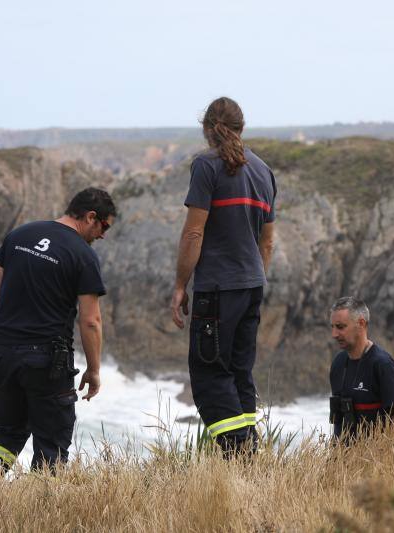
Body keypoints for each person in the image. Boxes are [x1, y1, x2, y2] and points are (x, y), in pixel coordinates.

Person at [0, 187, 116, 474]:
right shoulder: (82, 255)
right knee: (52, 444)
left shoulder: (20, 235)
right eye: (104, 226)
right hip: (47, 360)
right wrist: (93, 369)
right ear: (91, 217)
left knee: (7, 430)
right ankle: (42, 512)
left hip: (1, 353)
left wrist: (7, 334)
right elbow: (91, 321)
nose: (103, 235)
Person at [170, 97, 276, 455]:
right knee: (239, 373)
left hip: (217, 288)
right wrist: (255, 280)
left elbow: (193, 233)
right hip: (252, 286)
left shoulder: (206, 166)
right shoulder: (264, 171)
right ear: (241, 128)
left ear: (206, 129)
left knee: (210, 377)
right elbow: (268, 242)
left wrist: (181, 285)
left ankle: (238, 454)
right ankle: (251, 453)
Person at [329, 296, 394, 442]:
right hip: (340, 461)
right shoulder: (338, 363)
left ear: (361, 323)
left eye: (340, 327)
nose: (334, 334)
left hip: (375, 461)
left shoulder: (382, 364)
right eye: (332, 327)